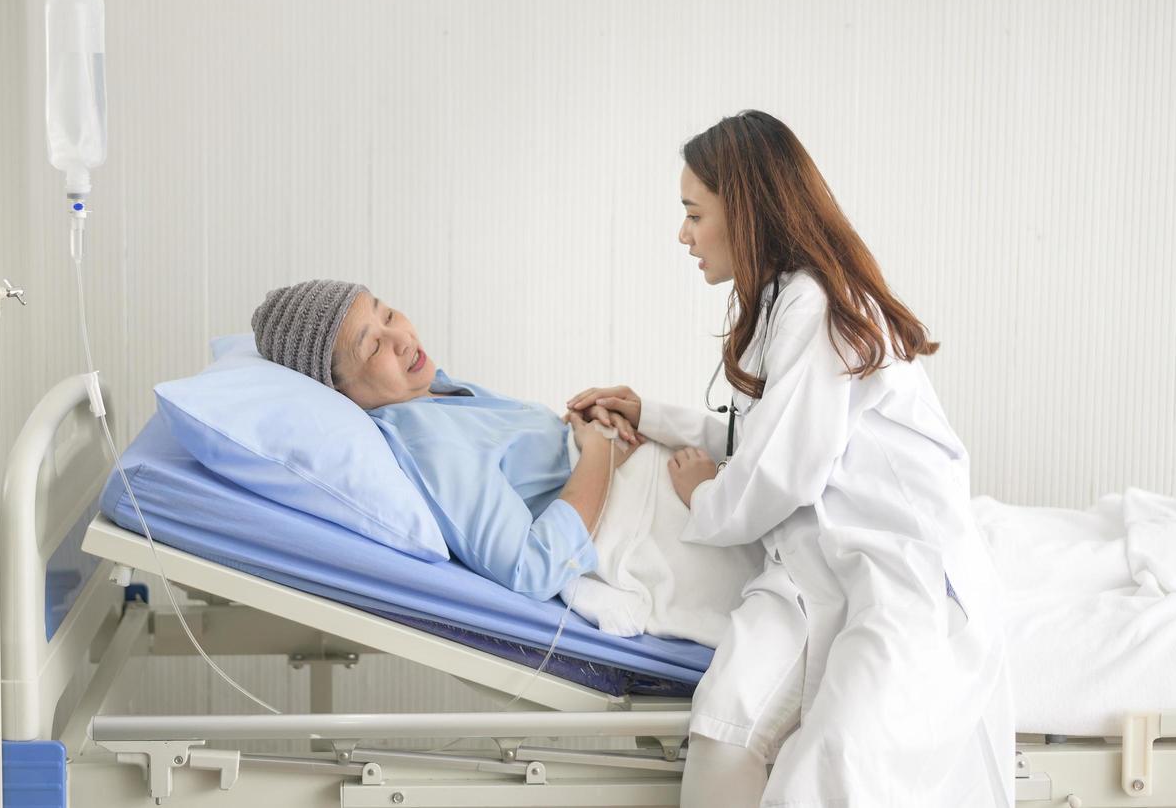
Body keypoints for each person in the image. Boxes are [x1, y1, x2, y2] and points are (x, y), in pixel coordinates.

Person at [567, 110, 1014, 806]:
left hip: (896, 569)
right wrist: (649, 415)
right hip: (815, 565)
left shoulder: (812, 303)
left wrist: (703, 495)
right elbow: (767, 431)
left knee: (841, 764)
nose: (682, 234)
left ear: (743, 213)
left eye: (693, 213)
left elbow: (779, 471)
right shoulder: (787, 301)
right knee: (724, 726)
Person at [250, 279, 643, 600]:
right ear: (338, 391)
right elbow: (532, 567)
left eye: (387, 314)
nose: (400, 338)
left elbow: (518, 461)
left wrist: (580, 421)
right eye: (372, 347)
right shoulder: (428, 441)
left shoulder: (435, 390)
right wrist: (599, 454)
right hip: (644, 531)